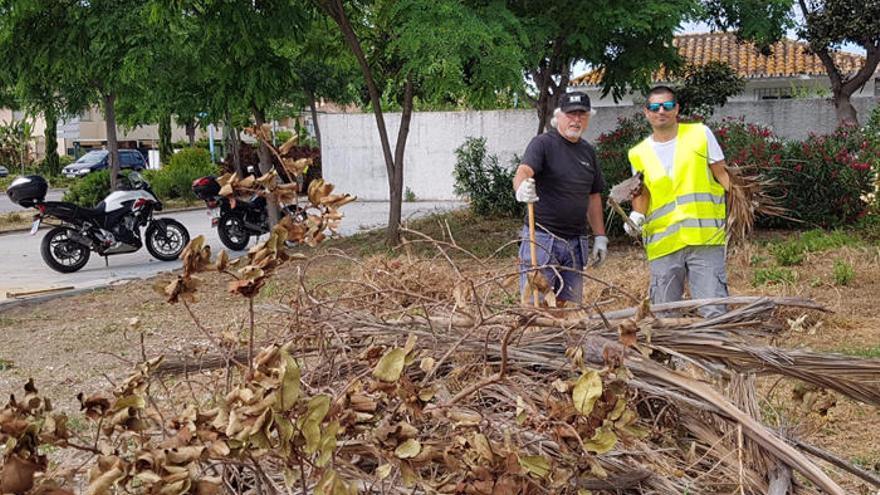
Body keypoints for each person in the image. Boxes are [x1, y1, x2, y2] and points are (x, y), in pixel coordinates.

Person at [625, 85, 731, 317]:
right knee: (664, 313)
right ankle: (666, 354)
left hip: (704, 239)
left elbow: (723, 175)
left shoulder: (700, 135)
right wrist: (637, 216)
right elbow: (642, 192)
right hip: (663, 244)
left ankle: (717, 352)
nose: (661, 110)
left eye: (667, 105)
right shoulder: (638, 153)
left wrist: (741, 207)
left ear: (677, 109)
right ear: (646, 112)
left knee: (713, 309)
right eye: (654, 107)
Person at [513, 91, 608, 307]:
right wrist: (521, 188)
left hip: (576, 242)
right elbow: (524, 171)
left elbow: (593, 196)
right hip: (543, 240)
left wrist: (600, 236)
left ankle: (560, 341)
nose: (576, 120)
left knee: (566, 304)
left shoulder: (588, 152)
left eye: (582, 115)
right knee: (536, 303)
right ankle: (536, 341)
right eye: (571, 114)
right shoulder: (543, 144)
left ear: (588, 118)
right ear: (559, 116)